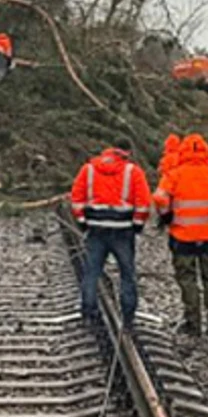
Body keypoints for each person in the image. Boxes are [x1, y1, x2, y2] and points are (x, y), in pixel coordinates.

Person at [153, 134, 208, 336]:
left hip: (182, 237)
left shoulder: (174, 175)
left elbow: (159, 197)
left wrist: (167, 216)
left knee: (187, 279)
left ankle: (193, 323)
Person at [70, 141, 150, 331]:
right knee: (127, 274)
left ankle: (88, 314)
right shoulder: (133, 172)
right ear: (127, 153)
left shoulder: (89, 169)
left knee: (91, 273)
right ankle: (128, 319)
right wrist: (137, 225)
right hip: (123, 231)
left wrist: (82, 222)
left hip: (96, 230)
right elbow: (144, 202)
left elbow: (76, 198)